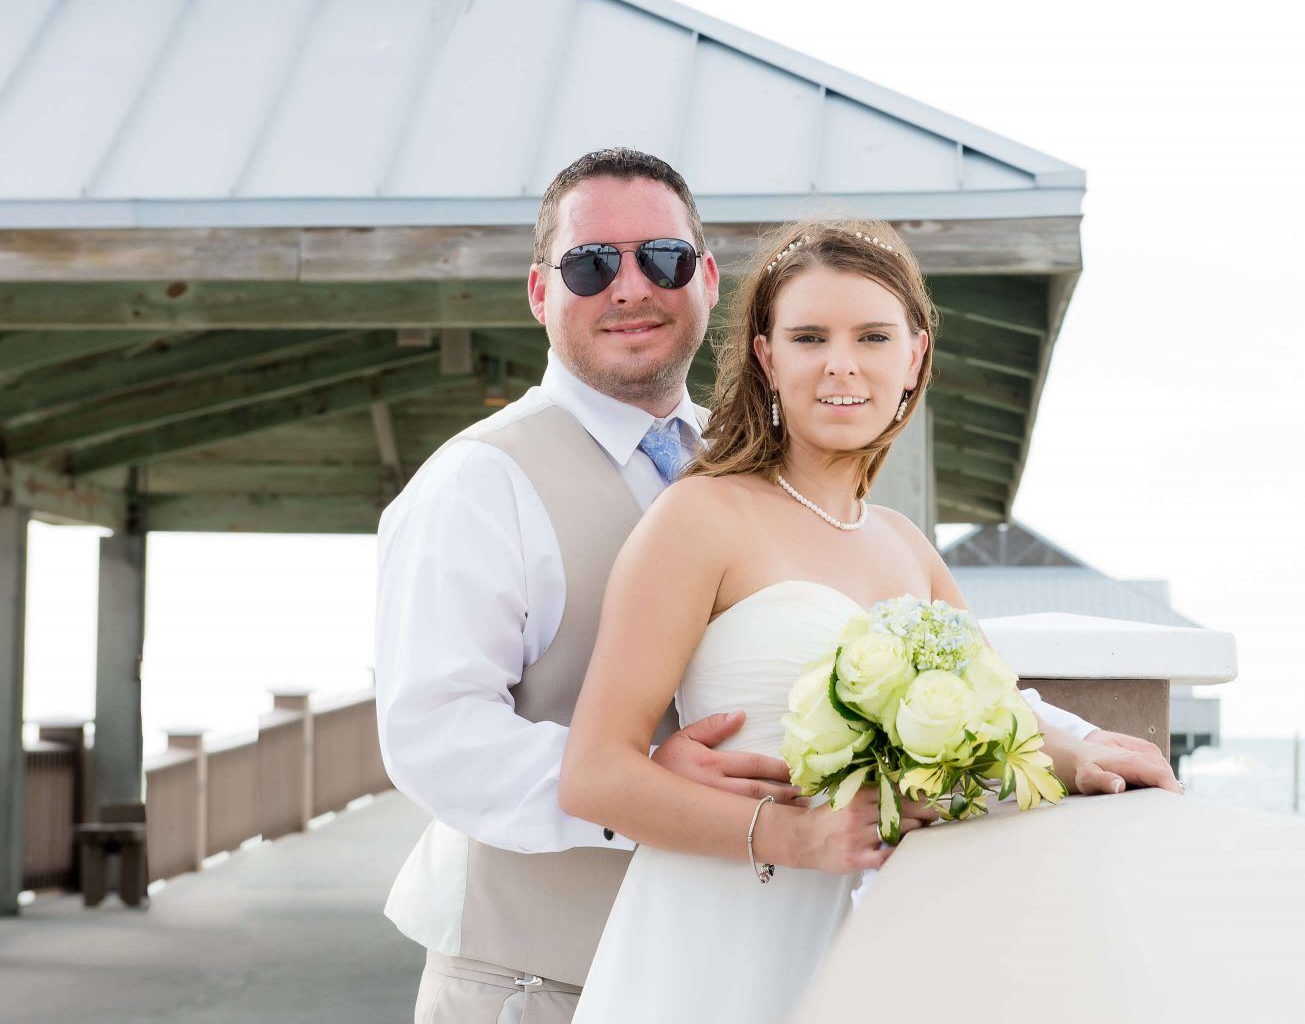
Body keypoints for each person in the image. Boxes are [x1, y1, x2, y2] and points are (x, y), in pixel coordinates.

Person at [375, 149, 1154, 1024]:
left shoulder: (756, 472)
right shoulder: (479, 481)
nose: (630, 287)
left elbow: (933, 660)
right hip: (531, 976)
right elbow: (432, 735)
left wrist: (1078, 744)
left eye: (662, 258)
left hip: (785, 953)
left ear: (705, 279)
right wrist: (652, 791)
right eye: (592, 264)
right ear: (538, 293)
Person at [558, 217, 1183, 1024]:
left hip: (875, 942)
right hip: (717, 934)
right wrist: (796, 839)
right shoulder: (700, 517)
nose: (841, 365)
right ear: (766, 354)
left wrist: (1081, 754)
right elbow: (595, 775)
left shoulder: (906, 546)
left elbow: (999, 724)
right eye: (810, 336)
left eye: (873, 336)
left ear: (915, 354)